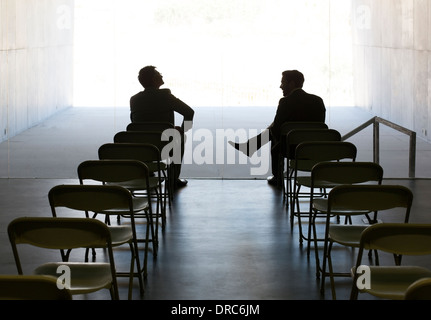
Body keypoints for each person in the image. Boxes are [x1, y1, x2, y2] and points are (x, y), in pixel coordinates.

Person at [229, 70, 326, 187]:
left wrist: (274, 126)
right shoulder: (318, 101)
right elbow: (320, 126)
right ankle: (251, 146)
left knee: (276, 142)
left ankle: (277, 176)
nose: (280, 86)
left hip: (291, 149)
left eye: (283, 82)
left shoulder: (285, 102)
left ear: (291, 84)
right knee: (276, 129)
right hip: (315, 148)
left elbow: (277, 130)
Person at [130, 65, 195, 188]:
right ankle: (172, 179)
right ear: (154, 79)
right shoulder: (166, 96)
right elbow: (189, 112)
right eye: (159, 73)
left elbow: (135, 122)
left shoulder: (134, 99)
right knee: (180, 138)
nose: (161, 75)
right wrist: (182, 129)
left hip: (142, 145)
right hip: (165, 144)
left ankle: (149, 172)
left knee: (145, 134)